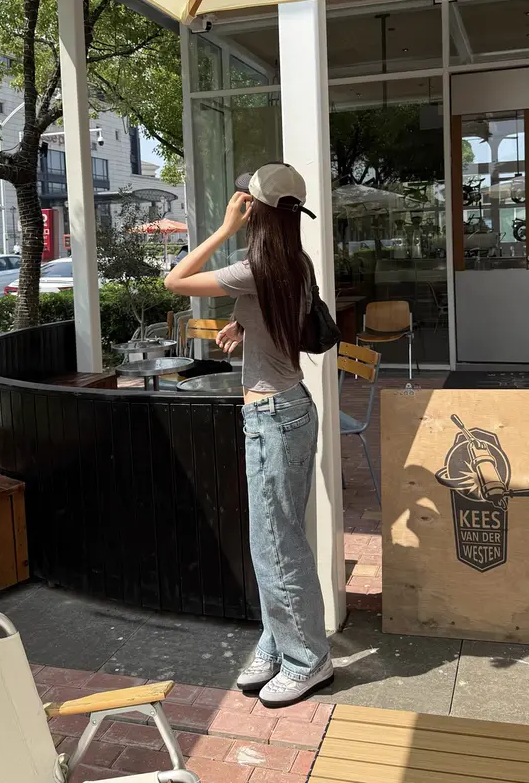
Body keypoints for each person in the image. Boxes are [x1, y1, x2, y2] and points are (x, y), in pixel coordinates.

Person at [165, 163, 332, 708]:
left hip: (274, 418)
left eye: (245, 205)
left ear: (254, 211)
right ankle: (277, 644)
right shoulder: (293, 262)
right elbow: (279, 315)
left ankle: (308, 659)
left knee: (276, 544)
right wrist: (244, 325)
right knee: (276, 540)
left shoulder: (255, 267)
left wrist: (223, 229)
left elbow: (175, 280)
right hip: (287, 412)